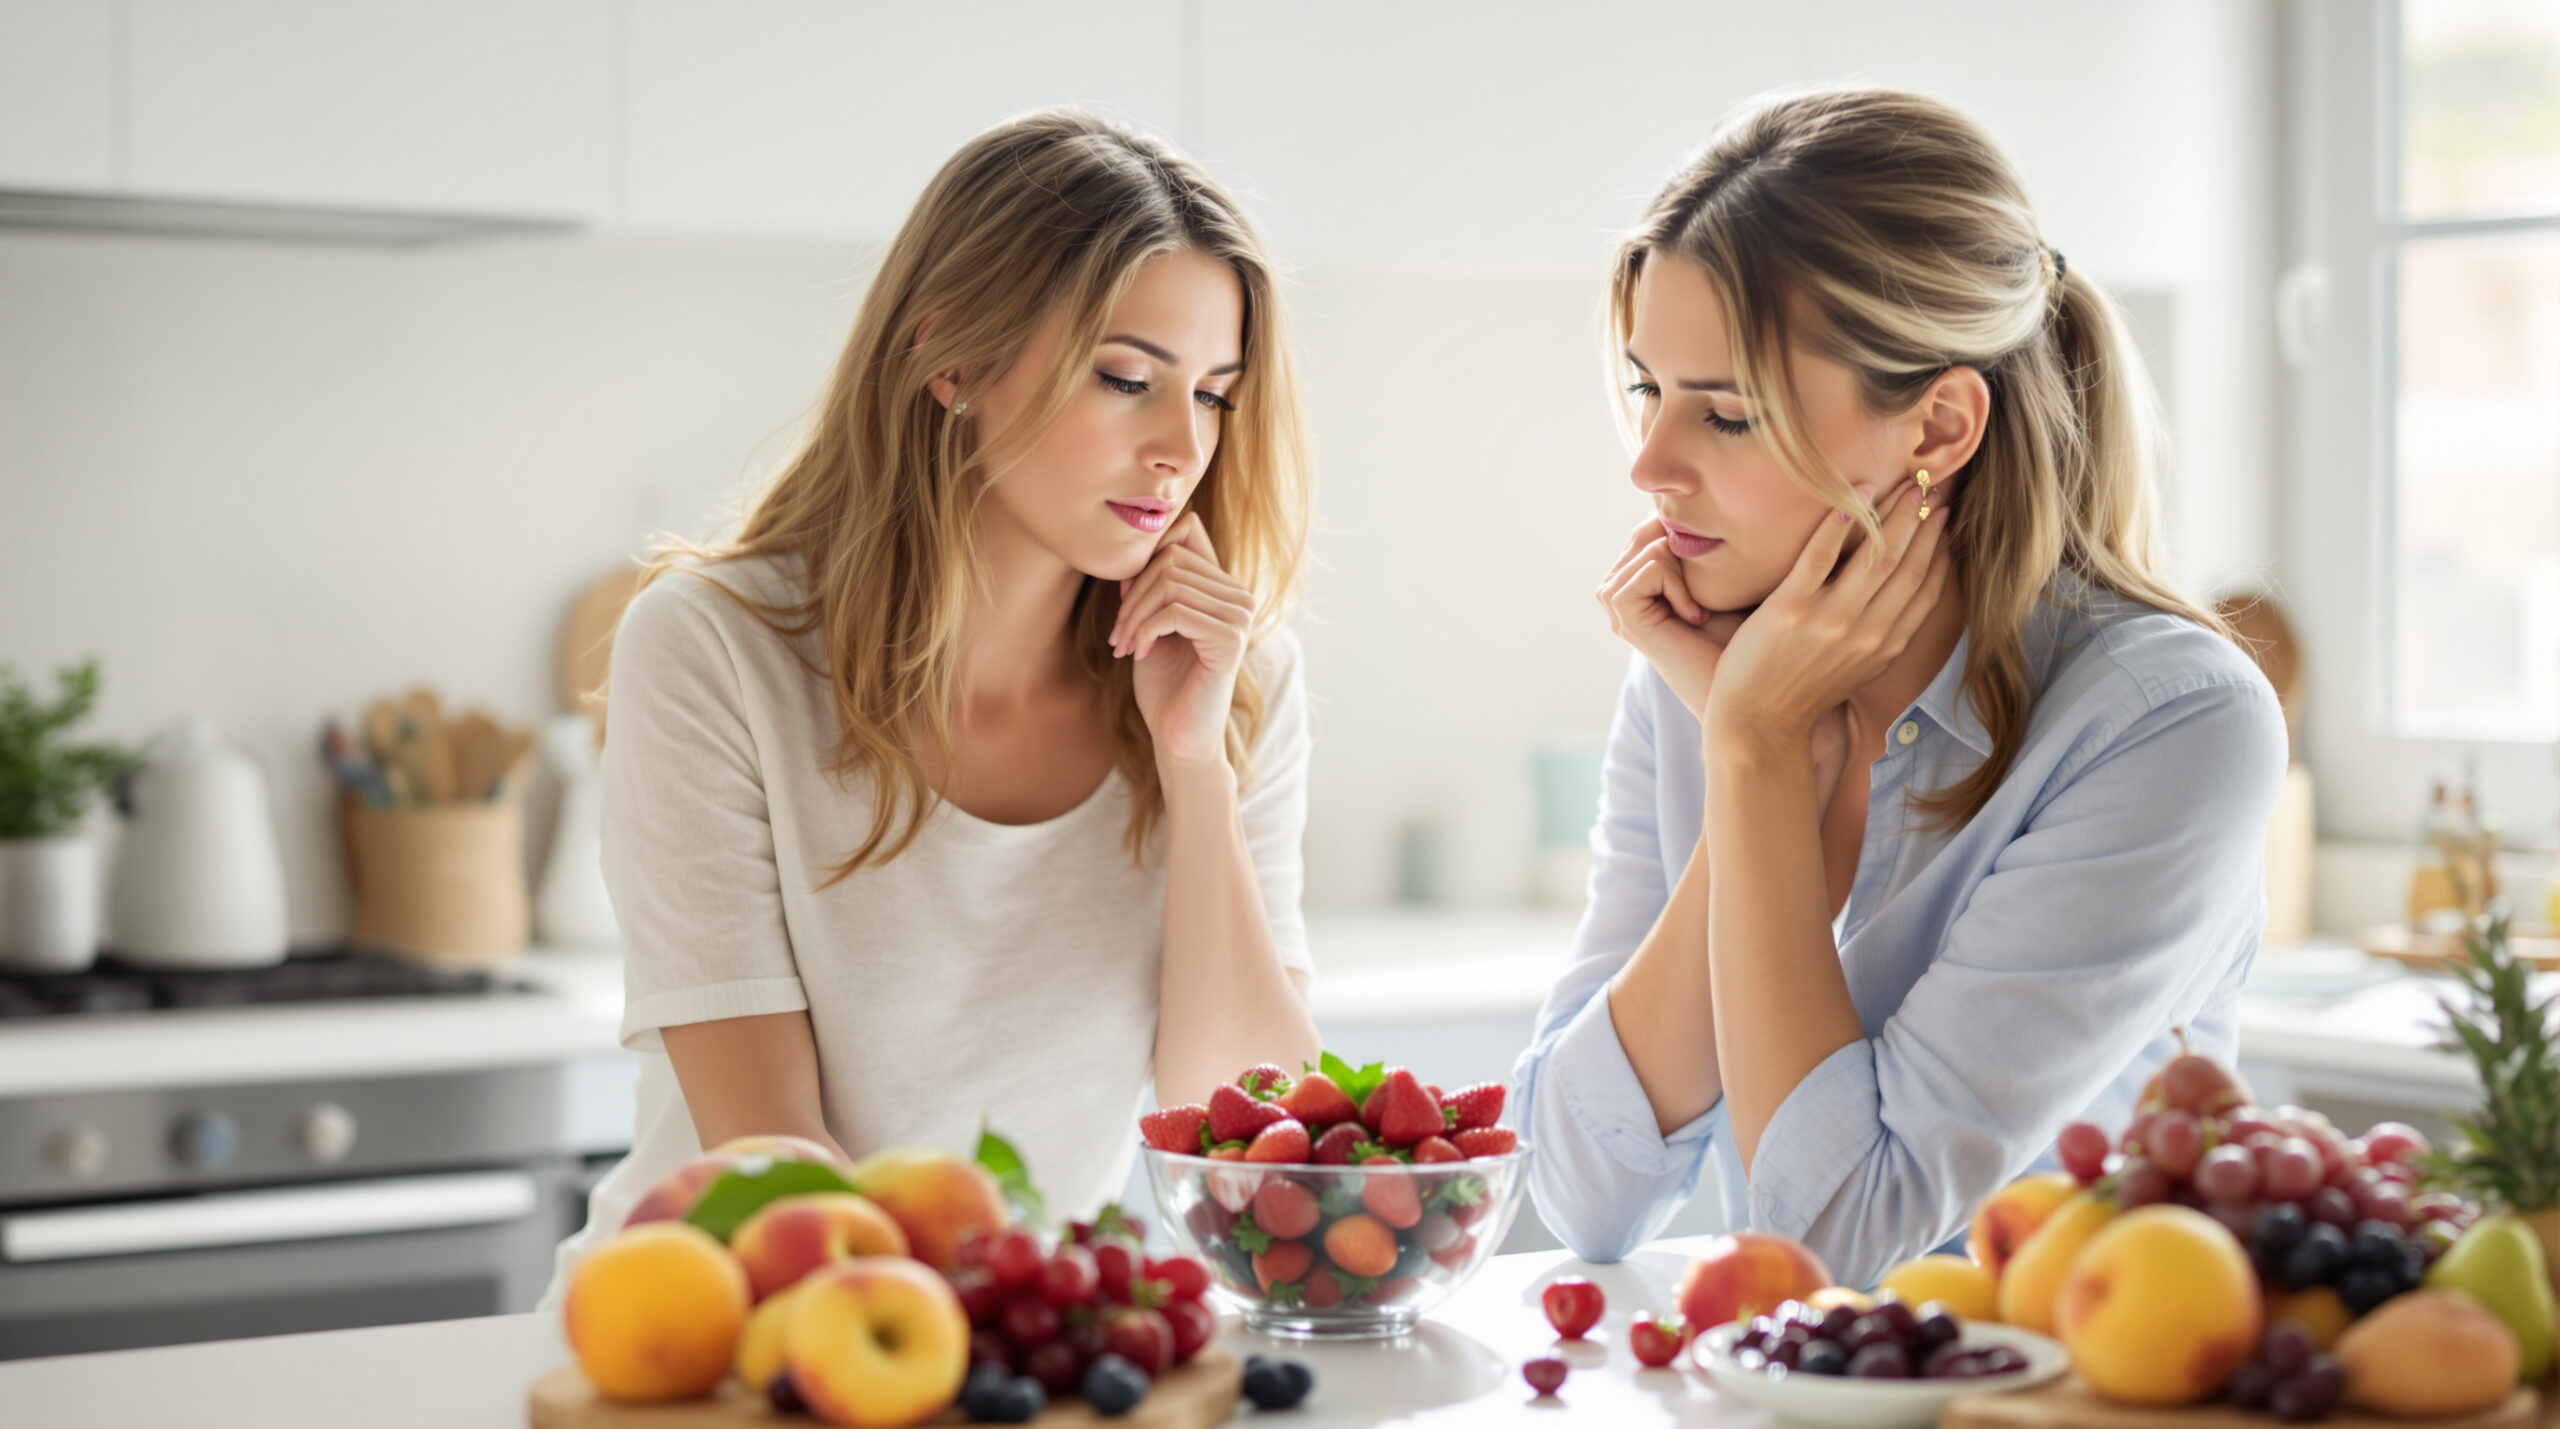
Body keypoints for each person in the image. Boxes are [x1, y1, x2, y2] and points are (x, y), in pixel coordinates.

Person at [1513, 86, 2286, 1285]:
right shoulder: (1706, 685)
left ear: (1935, 429)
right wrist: (1749, 751)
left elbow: (1836, 1235)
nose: (1650, 465)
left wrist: (1761, 758)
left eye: (1724, 415)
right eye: (1646, 392)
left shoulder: (2170, 725)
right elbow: (1580, 1192)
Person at [545, 109, 1321, 1297]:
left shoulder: (1229, 681)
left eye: (1215, 394)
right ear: (951, 358)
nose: (1182, 446)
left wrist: (1194, 765)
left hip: (1012, 1355)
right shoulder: (713, 650)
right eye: (1127, 379)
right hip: (716, 1344)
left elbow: (1245, 1134)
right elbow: (767, 1155)